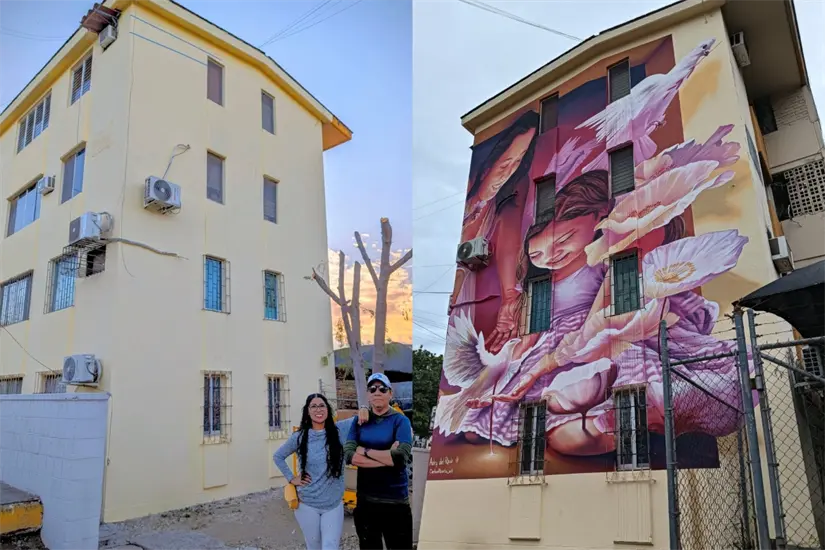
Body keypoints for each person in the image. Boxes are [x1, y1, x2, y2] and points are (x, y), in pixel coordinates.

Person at [449, 110, 539, 351]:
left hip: (475, 307)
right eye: (505, 162)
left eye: (517, 163)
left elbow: (509, 246)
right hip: (464, 303)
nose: (508, 171)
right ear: (491, 159)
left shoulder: (505, 205)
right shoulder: (471, 197)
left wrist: (510, 299)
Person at [273, 393, 355, 550]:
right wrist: (292, 478)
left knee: (330, 545)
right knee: (314, 546)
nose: (318, 409)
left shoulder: (340, 430)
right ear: (308, 411)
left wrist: (364, 408)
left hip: (333, 504)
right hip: (307, 505)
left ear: (327, 409)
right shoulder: (299, 437)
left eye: (322, 405)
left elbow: (363, 418)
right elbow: (278, 456)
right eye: (314, 406)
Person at [344, 373, 413, 550]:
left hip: (395, 503)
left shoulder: (401, 421)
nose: (377, 392)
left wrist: (365, 450)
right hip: (366, 502)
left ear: (390, 393)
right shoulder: (359, 421)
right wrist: (386, 457)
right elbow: (350, 455)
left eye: (382, 389)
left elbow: (400, 457)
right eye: (372, 389)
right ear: (367, 394)